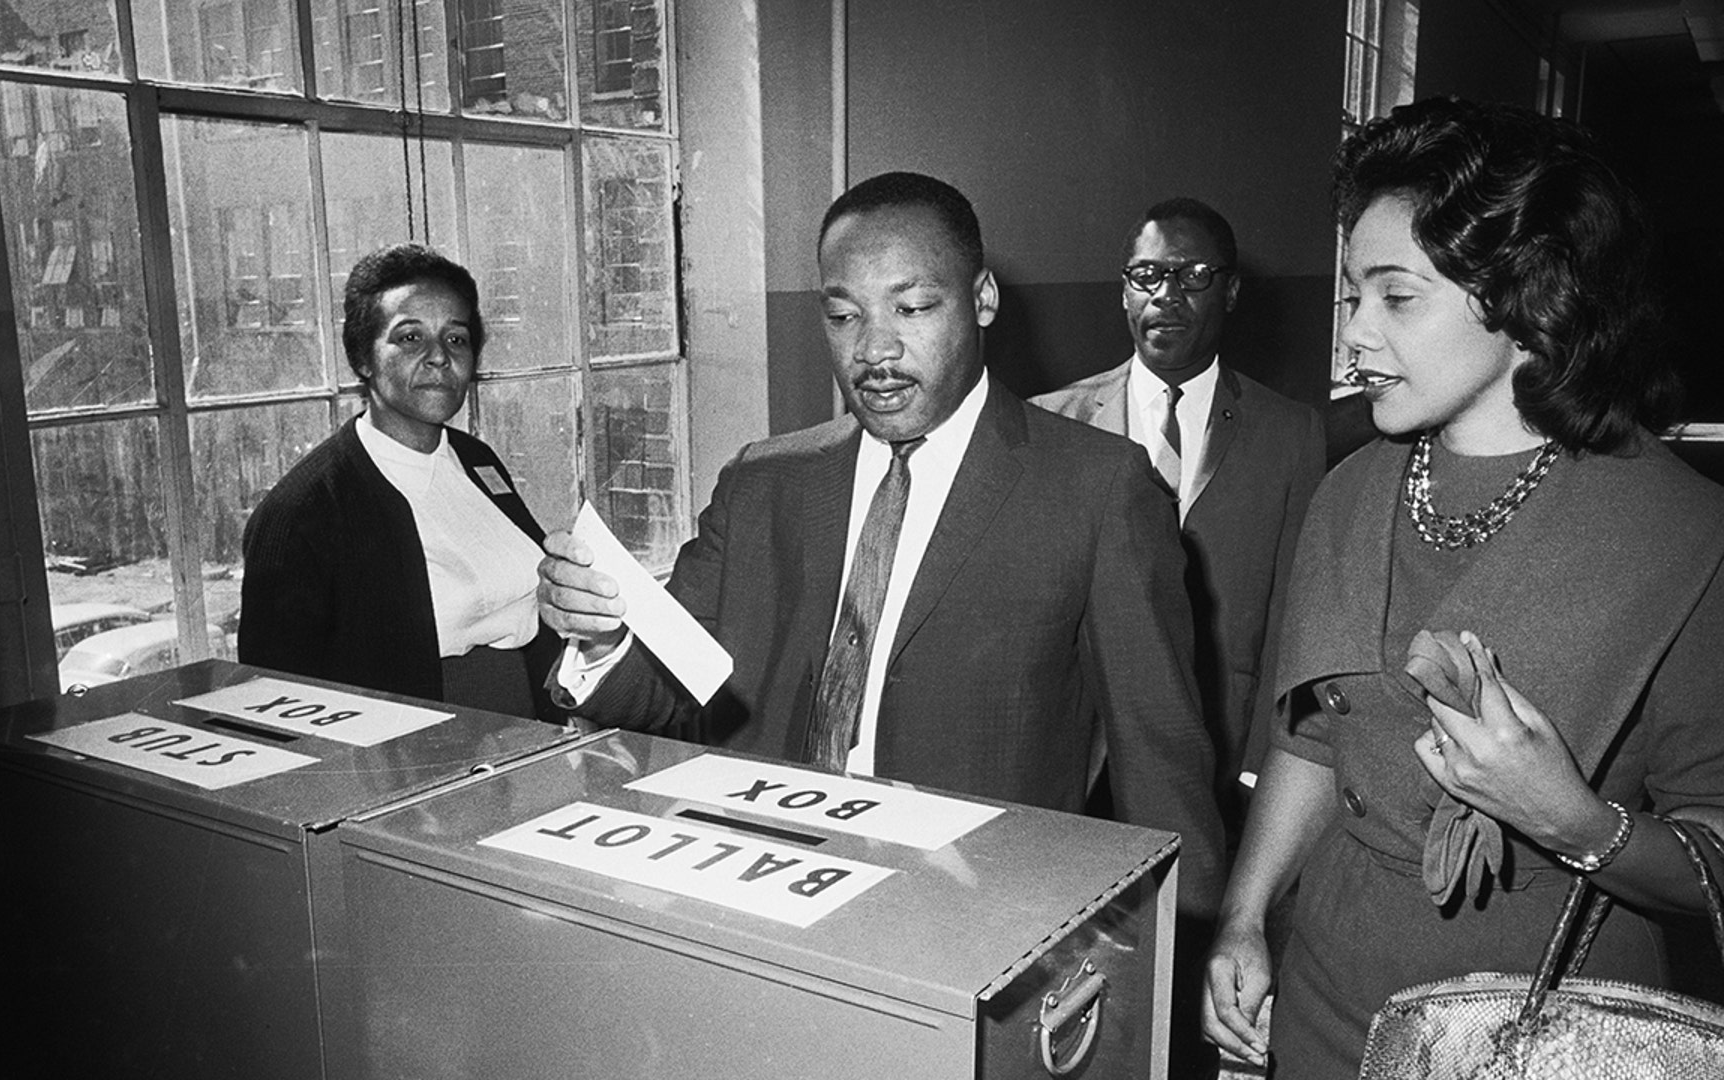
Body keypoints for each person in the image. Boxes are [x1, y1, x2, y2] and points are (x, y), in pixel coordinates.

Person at [537, 171, 1227, 923]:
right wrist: (602, 638)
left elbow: (1161, 763)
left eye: (914, 307)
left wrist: (1177, 958)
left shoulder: (1099, 489)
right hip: (760, 892)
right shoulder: (764, 481)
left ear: (983, 299)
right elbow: (667, 692)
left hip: (973, 917)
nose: (875, 349)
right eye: (843, 316)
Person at [1201, 97, 1724, 1078]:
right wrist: (1243, 916)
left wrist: (1572, 819)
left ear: (1523, 300)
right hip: (1327, 993)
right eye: (1353, 295)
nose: (1353, 336)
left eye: (1395, 298)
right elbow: (1308, 739)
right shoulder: (1348, 490)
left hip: (1537, 1022)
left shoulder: (1685, 535)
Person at [1032, 197, 1325, 830]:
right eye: (1147, 276)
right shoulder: (1053, 422)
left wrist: (1258, 767)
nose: (1166, 295)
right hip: (1081, 751)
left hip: (1218, 748)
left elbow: (1290, 618)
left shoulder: (1292, 433)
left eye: (1193, 276)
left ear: (1231, 291)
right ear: (1124, 291)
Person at [239, 243, 561, 720]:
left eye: (456, 339)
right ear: (363, 357)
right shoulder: (301, 512)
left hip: (532, 727)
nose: (438, 358)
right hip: (408, 756)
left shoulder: (477, 461)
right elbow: (277, 700)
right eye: (410, 338)